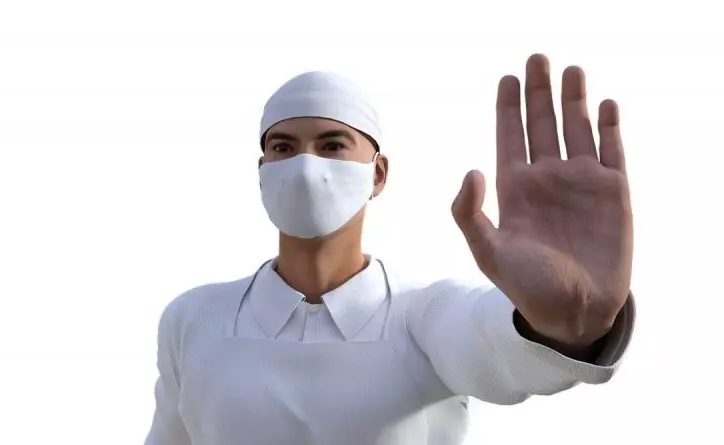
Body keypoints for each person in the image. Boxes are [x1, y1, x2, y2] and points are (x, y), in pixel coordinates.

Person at [144, 53, 636, 445]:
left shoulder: (423, 316)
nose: (305, 166)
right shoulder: (194, 319)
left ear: (377, 174)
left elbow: (495, 350)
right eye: (283, 147)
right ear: (262, 170)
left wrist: (568, 324)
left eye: (332, 145)